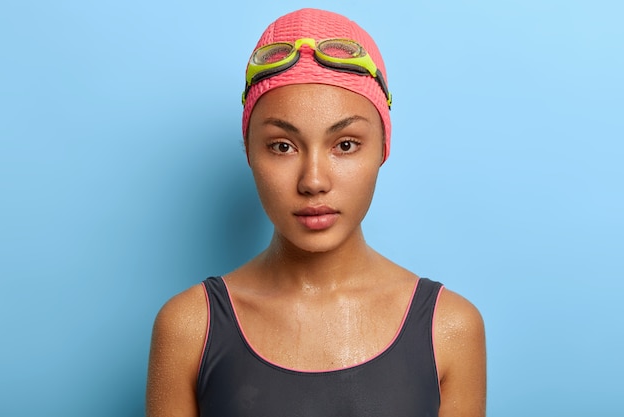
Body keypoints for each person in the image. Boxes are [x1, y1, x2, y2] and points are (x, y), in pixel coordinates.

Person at [146, 8, 486, 417]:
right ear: (249, 152)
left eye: (345, 144)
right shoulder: (189, 328)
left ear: (383, 148)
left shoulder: (448, 328)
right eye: (282, 146)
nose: (313, 181)